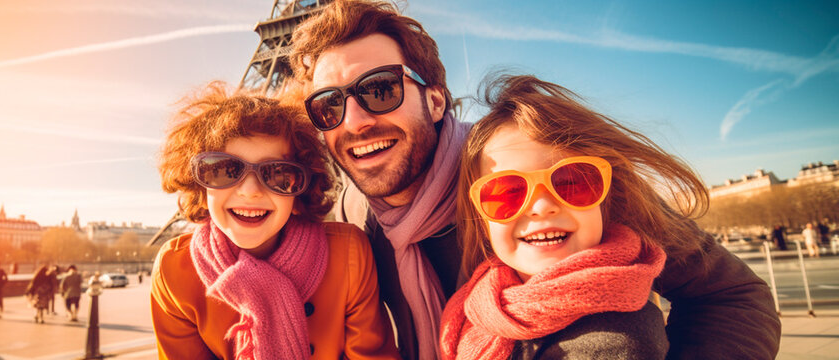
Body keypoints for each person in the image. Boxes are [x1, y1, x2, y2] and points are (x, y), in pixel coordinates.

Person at [289, 1, 780, 358]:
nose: (353, 121)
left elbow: (732, 295)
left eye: (380, 90)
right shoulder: (355, 212)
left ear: (435, 100)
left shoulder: (545, 176)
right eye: (329, 105)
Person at [442, 74, 713, 358]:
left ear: (605, 199)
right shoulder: (485, 299)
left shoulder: (613, 342)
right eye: (507, 192)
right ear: (481, 220)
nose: (542, 206)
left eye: (571, 182)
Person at [150, 82, 400, 359]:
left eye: (278, 174)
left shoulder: (349, 254)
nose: (250, 190)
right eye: (222, 170)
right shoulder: (173, 271)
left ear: (300, 193)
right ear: (201, 186)